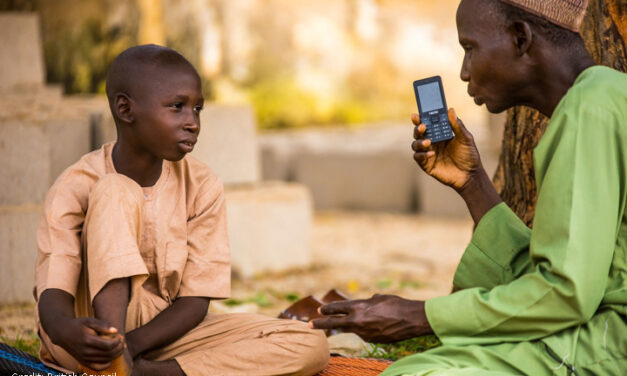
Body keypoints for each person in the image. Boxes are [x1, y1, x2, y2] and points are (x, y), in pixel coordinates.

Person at [311, 0, 627, 374]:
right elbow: (568, 273)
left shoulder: (589, 109)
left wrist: (419, 316)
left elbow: (566, 293)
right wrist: (473, 183)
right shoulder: (603, 95)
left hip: (610, 342)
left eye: (470, 49)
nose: (464, 72)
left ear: (520, 38)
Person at [35, 44, 329, 376]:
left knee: (310, 344)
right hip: (83, 341)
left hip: (157, 339)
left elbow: (194, 302)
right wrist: (65, 331)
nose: (192, 122)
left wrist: (128, 348)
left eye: (197, 109)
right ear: (125, 109)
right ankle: (110, 364)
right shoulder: (76, 184)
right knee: (114, 189)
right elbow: (53, 287)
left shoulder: (202, 185)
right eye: (177, 107)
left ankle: (138, 372)